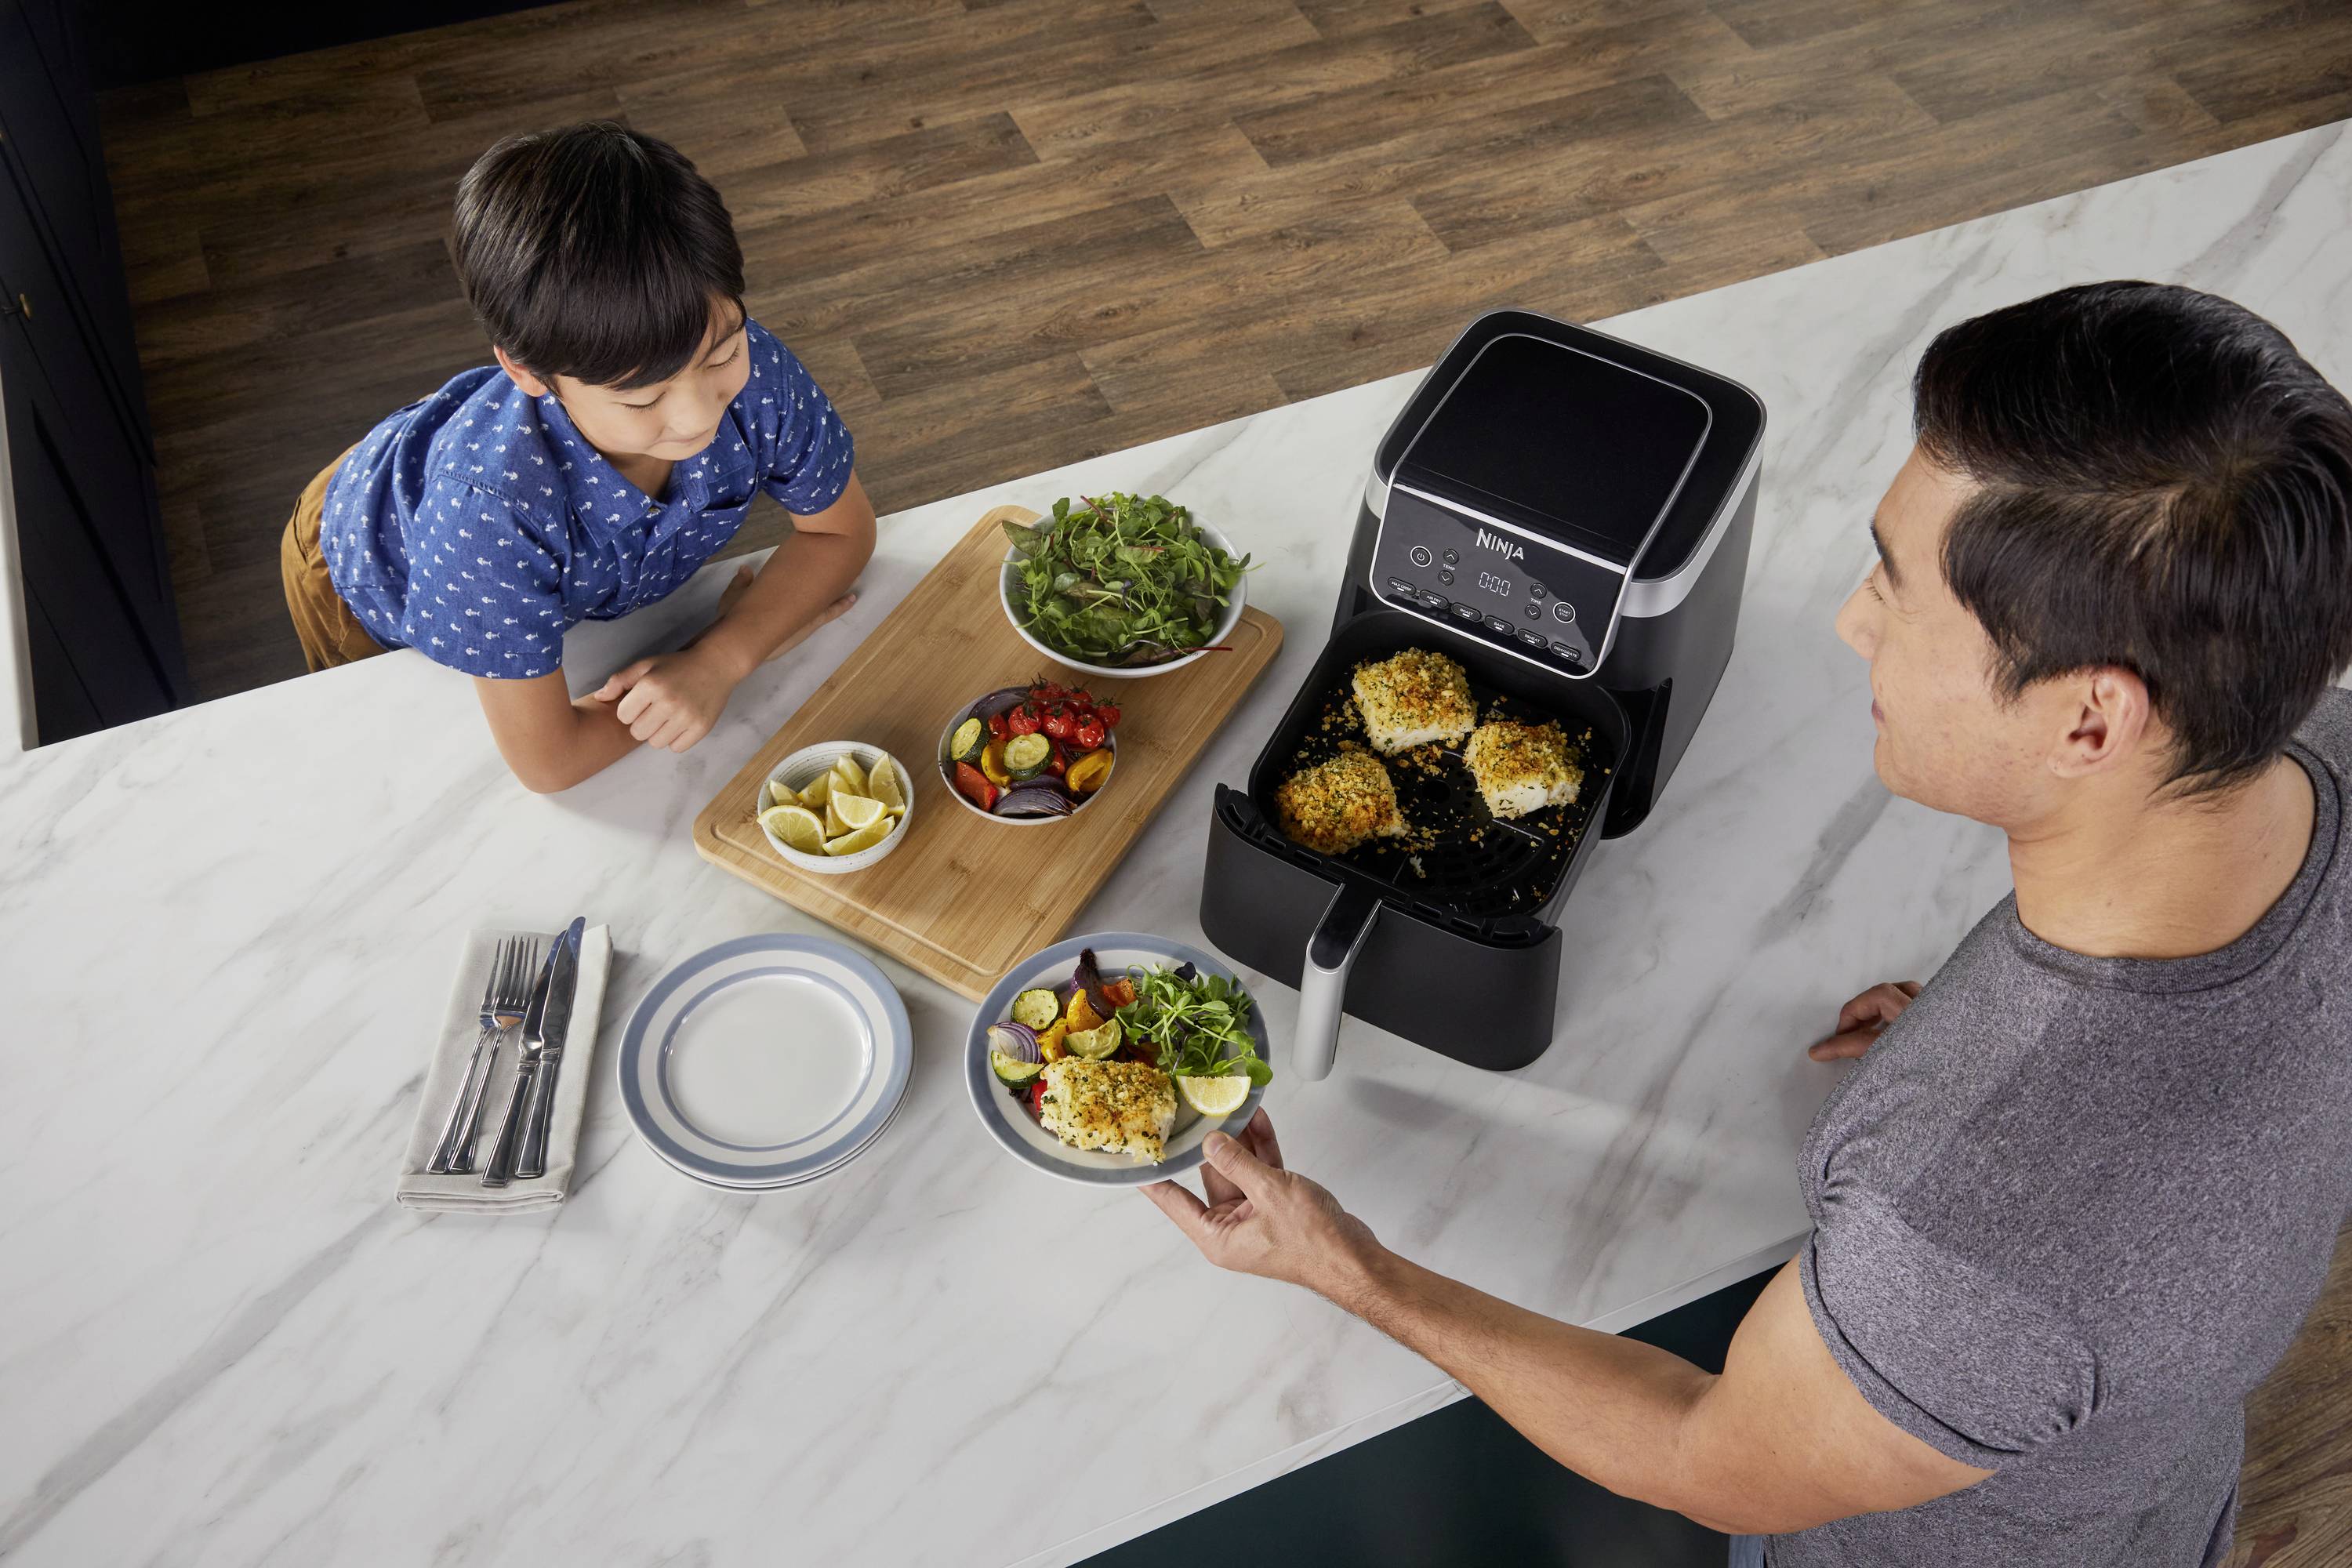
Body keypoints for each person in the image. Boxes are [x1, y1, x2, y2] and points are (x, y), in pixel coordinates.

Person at [1147, 281, 2352, 1567]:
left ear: (2089, 722)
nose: (1850, 621)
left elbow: (1704, 1459)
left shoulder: (1959, 1232)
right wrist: (1982, 1033)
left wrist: (1348, 1266)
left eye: (1897, 589)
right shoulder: (2320, 752)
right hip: (2148, 1492)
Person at [277, 122, 873, 792]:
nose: (700, 413)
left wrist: (724, 657)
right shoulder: (486, 520)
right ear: (530, 372)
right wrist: (708, 655)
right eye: (644, 400)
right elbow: (548, 762)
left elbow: (843, 530)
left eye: (722, 355)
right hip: (361, 564)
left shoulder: (751, 359)